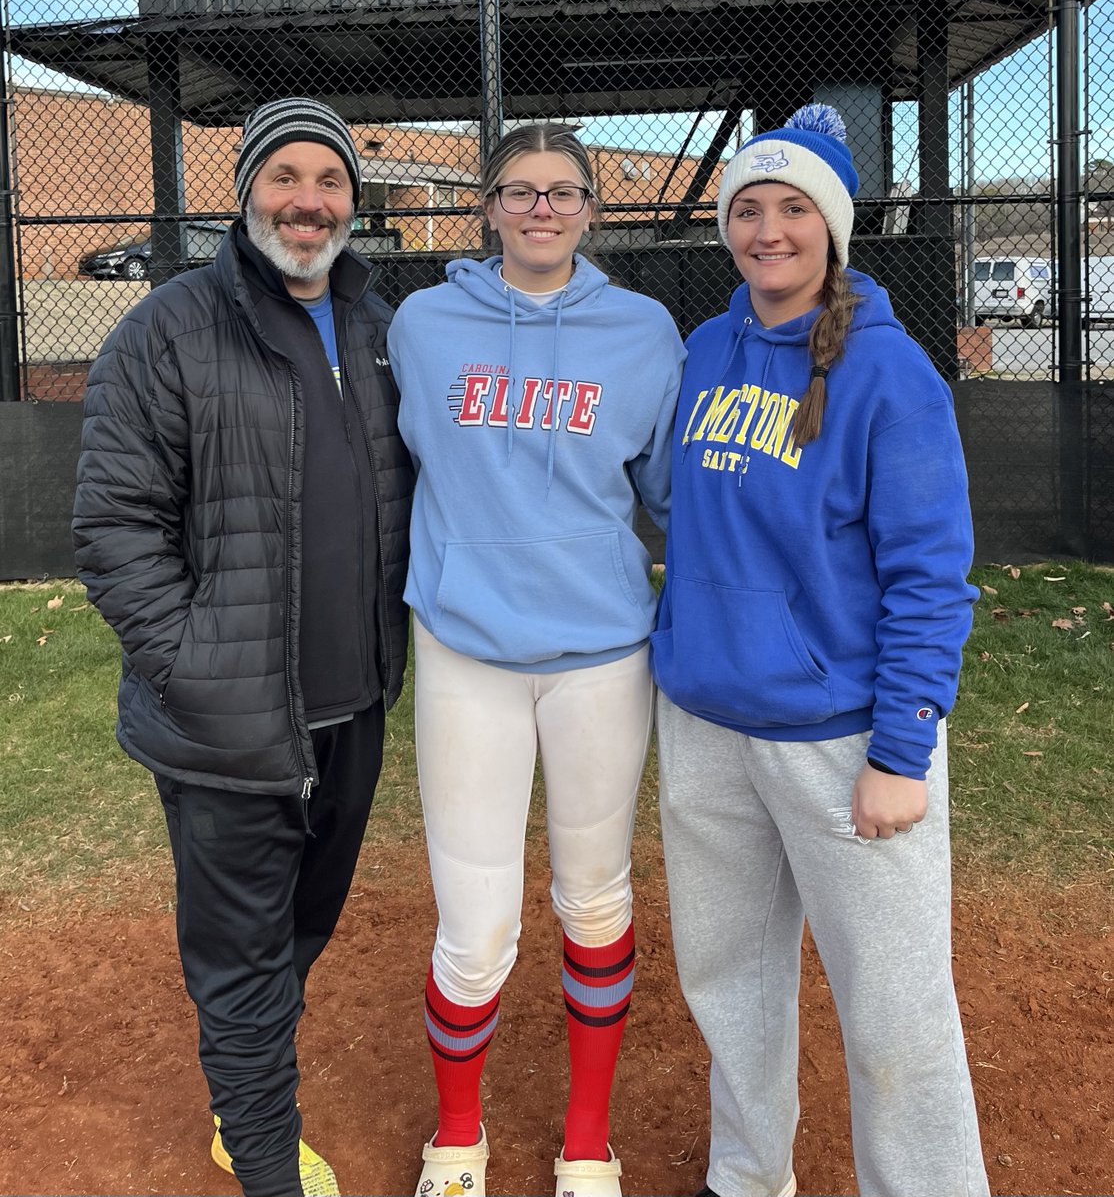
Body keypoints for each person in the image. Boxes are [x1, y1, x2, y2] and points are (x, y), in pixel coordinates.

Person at [72, 97, 413, 1197]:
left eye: (329, 181)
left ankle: (243, 1091)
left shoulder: (374, 326)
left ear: (352, 203)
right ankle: (260, 1152)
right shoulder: (167, 327)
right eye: (285, 177)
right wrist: (190, 671)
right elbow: (114, 528)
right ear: (245, 191)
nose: (307, 202)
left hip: (351, 704)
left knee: (302, 926)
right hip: (227, 724)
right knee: (240, 955)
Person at [651, 105, 991, 1197]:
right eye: (747, 208)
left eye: (793, 208)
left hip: (842, 740)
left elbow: (930, 575)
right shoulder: (708, 347)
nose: (767, 230)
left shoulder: (891, 378)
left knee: (894, 1010)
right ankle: (747, 1178)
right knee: (729, 982)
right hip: (706, 724)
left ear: (833, 226)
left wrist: (901, 749)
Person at [386, 122, 684, 1197]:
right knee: (473, 931)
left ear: (594, 209)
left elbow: (667, 498)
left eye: (564, 193)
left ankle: (587, 1145)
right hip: (467, 648)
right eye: (520, 191)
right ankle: (456, 1143)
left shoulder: (646, 332)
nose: (542, 209)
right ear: (489, 207)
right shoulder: (424, 324)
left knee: (593, 901)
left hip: (602, 653)